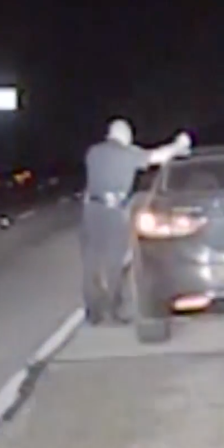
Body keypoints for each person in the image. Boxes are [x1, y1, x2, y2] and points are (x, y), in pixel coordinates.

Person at [80, 118, 192, 325]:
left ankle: (93, 311)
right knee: (115, 261)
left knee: (92, 261)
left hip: (91, 211)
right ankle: (113, 309)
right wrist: (179, 145)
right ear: (125, 135)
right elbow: (157, 157)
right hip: (113, 212)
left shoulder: (93, 152)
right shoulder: (127, 154)